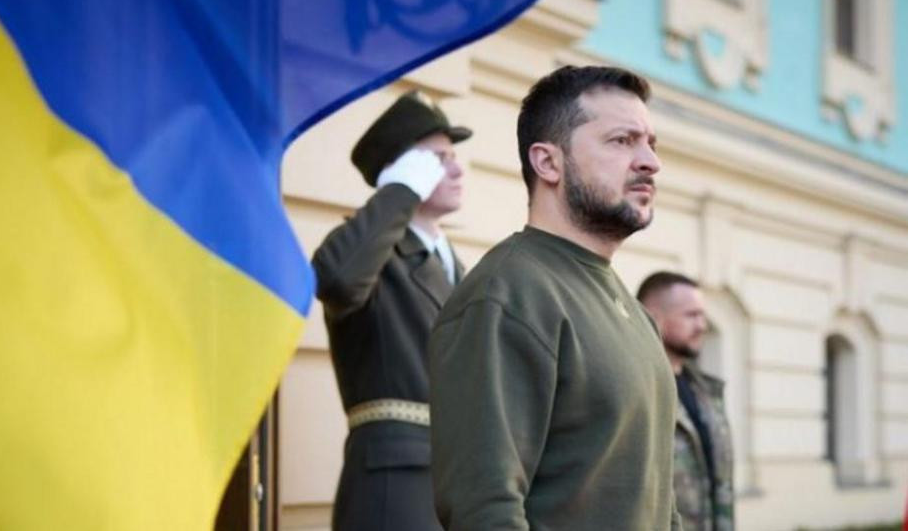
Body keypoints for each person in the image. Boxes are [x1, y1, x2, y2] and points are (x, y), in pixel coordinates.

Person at [428, 65, 681, 530]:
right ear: (548, 163)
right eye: (622, 141)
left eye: (650, 143)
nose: (649, 161)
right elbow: (485, 510)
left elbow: (659, 502)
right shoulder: (505, 295)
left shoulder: (634, 312)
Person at [312, 90, 470, 531]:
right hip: (397, 482)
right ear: (405, 171)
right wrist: (398, 193)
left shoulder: (461, 267)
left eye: (453, 155)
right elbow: (337, 279)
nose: (457, 169)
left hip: (462, 479)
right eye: (438, 158)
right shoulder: (374, 257)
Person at [638, 271, 735, 531]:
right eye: (691, 315)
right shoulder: (635, 391)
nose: (702, 325)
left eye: (702, 315)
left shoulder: (707, 392)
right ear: (654, 318)